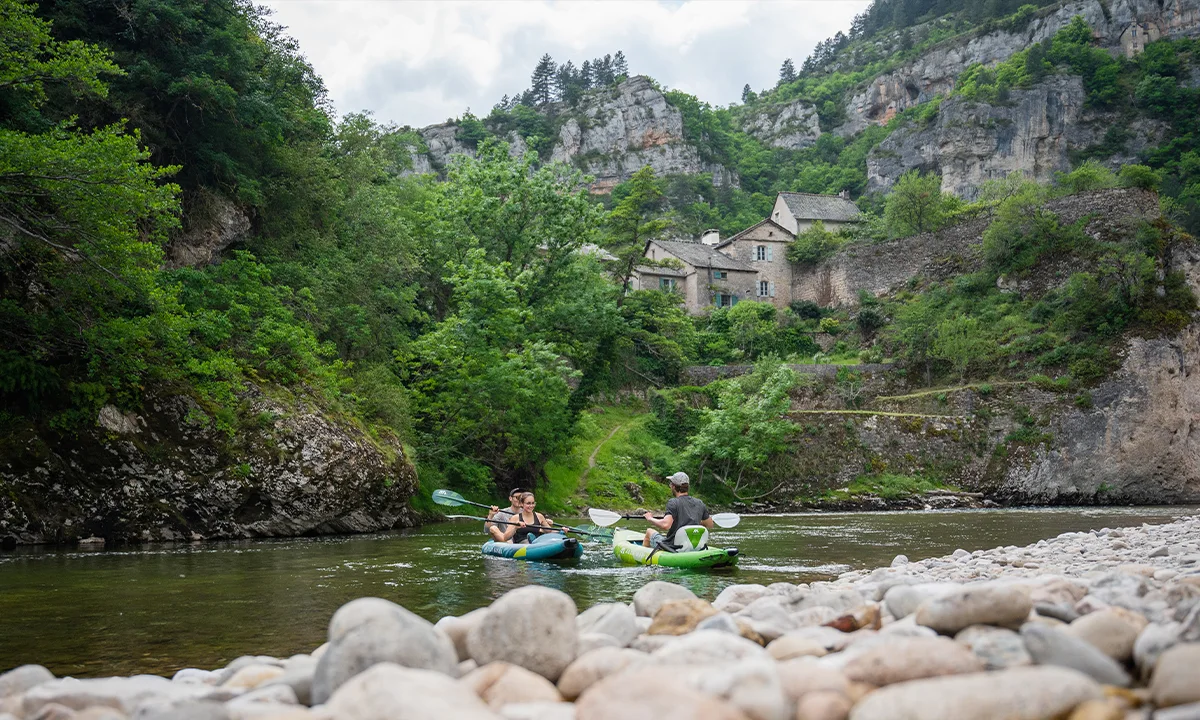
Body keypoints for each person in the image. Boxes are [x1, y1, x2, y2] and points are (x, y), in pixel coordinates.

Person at [643, 472, 712, 550]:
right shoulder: (699, 503)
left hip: (672, 546)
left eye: (670, 484)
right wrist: (692, 520)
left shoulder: (673, 502)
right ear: (687, 487)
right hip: (692, 545)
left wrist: (650, 518)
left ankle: (645, 556)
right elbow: (709, 524)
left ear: (673, 486)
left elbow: (665, 525)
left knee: (649, 531)